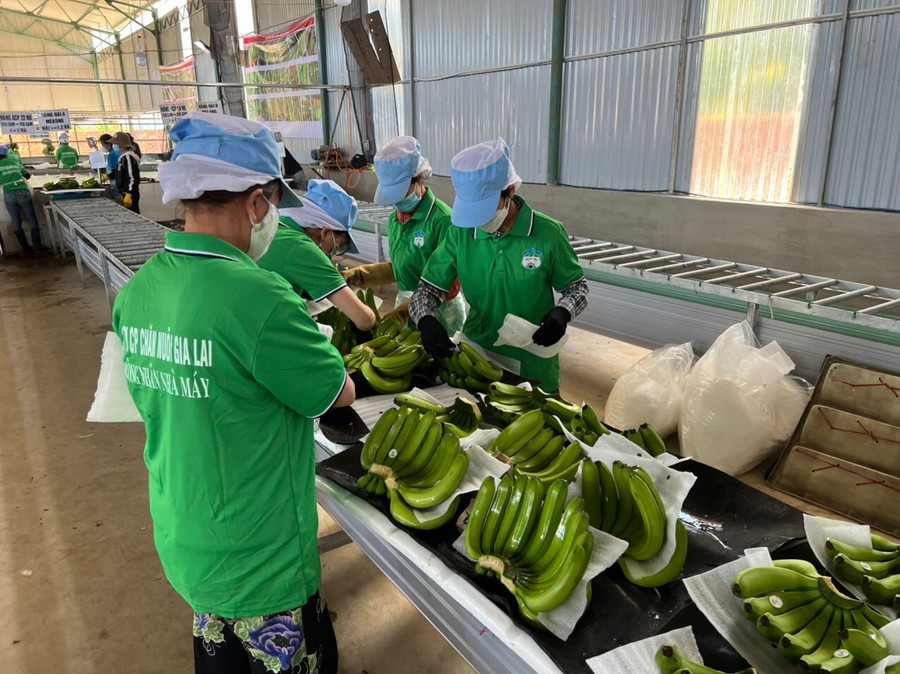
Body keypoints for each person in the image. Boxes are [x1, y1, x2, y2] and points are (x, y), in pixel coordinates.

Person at [112, 112, 350, 674]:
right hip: (262, 563)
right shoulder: (261, 296)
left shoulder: (139, 289)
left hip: (187, 540)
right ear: (257, 202)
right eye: (271, 200)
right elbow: (334, 392)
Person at [410, 138, 589, 391]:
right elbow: (427, 291)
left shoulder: (548, 233)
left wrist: (564, 312)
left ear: (510, 193)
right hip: (477, 354)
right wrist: (425, 319)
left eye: (484, 209)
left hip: (533, 359)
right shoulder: (460, 234)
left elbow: (577, 288)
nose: (479, 221)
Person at [341, 136, 464, 331]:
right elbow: (402, 268)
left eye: (400, 193)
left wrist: (403, 313)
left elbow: (447, 282)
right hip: (406, 302)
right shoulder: (395, 219)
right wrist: (359, 275)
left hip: (439, 314)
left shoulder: (443, 220)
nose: (396, 202)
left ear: (419, 179)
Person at [258, 179, 376, 330]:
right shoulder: (302, 248)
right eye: (337, 247)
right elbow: (364, 320)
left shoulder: (274, 228)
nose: (333, 254)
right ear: (326, 232)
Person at [0, 144, 44, 252]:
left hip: (8, 194)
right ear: (7, 154)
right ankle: (37, 245)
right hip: (22, 192)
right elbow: (27, 176)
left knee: (16, 220)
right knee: (31, 218)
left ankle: (24, 247)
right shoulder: (14, 162)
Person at [113, 131, 141, 213]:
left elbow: (132, 177)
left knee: (134, 215)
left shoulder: (128, 157)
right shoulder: (123, 157)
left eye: (115, 144)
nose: (114, 146)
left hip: (130, 194)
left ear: (121, 144)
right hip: (125, 192)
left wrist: (129, 193)